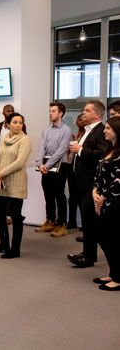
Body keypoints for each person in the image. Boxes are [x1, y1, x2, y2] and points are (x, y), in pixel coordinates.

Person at [68, 100, 108, 268]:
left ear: (96, 114)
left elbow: (102, 155)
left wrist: (81, 150)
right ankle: (87, 253)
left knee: (90, 221)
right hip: (81, 182)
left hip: (92, 183)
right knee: (86, 220)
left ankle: (89, 257)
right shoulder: (87, 130)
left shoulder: (101, 131)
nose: (83, 113)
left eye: (87, 110)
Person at [0, 112, 31, 259]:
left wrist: (0, 174)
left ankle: (15, 249)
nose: (18, 125)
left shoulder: (25, 140)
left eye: (20, 122)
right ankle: (4, 244)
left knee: (15, 216)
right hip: (1, 182)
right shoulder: (5, 138)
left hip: (16, 182)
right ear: (8, 124)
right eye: (15, 122)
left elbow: (19, 163)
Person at [34, 103, 72, 237]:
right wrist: (39, 164)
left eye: (53, 111)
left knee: (59, 195)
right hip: (46, 165)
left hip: (61, 165)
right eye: (50, 111)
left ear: (61, 113)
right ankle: (50, 221)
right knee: (48, 194)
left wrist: (47, 165)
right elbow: (41, 147)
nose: (50, 113)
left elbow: (61, 151)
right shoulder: (46, 129)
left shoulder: (66, 130)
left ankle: (62, 225)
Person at [92, 117, 120, 291]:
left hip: (115, 203)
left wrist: (104, 197)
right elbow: (98, 176)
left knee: (114, 239)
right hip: (102, 200)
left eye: (108, 128)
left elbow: (118, 180)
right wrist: (95, 192)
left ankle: (118, 278)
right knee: (104, 238)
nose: (104, 131)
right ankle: (113, 272)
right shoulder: (109, 150)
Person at [67, 113, 86, 230]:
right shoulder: (77, 134)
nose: (79, 122)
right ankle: (72, 221)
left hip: (81, 170)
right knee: (73, 197)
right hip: (71, 167)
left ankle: (84, 224)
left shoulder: (87, 134)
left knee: (81, 199)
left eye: (81, 119)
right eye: (78, 120)